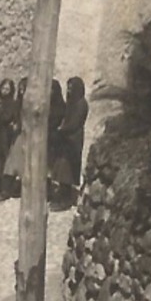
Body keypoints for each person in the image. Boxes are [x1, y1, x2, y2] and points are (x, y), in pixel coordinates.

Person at [50, 76, 89, 206]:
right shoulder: (71, 103)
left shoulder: (81, 104)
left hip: (73, 140)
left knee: (67, 169)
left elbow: (75, 123)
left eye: (72, 88)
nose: (70, 90)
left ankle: (66, 198)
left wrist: (62, 129)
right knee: (62, 168)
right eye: (69, 88)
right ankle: (62, 193)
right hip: (65, 140)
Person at [0, 76, 28, 198]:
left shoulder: (31, 104)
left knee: (24, 164)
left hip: (29, 136)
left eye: (24, 89)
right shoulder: (18, 103)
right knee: (12, 162)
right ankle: (5, 190)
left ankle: (21, 189)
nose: (21, 92)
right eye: (20, 89)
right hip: (18, 136)